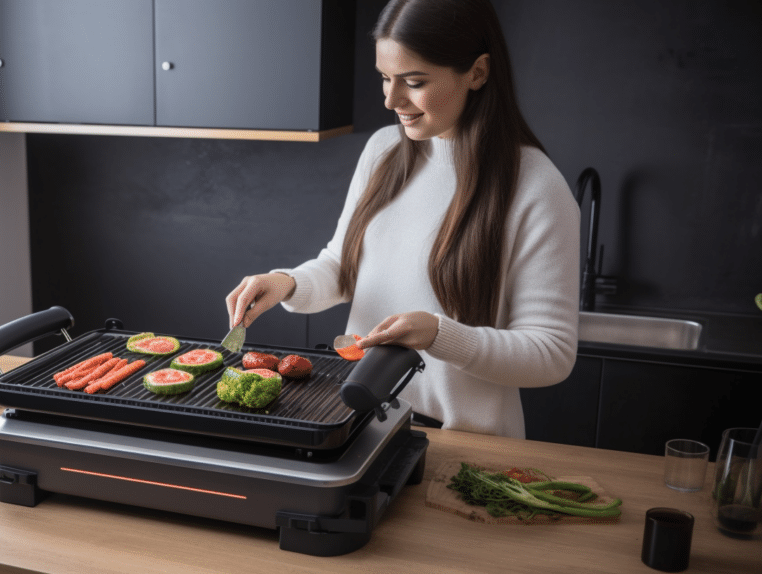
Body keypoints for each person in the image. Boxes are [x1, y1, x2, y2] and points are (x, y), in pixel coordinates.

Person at [224, 0, 580, 439]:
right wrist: (285, 283)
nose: (392, 100)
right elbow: (343, 266)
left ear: (478, 73)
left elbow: (551, 354)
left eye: (414, 82)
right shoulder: (383, 151)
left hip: (465, 442)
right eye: (385, 79)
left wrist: (439, 335)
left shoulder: (536, 187)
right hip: (359, 425)